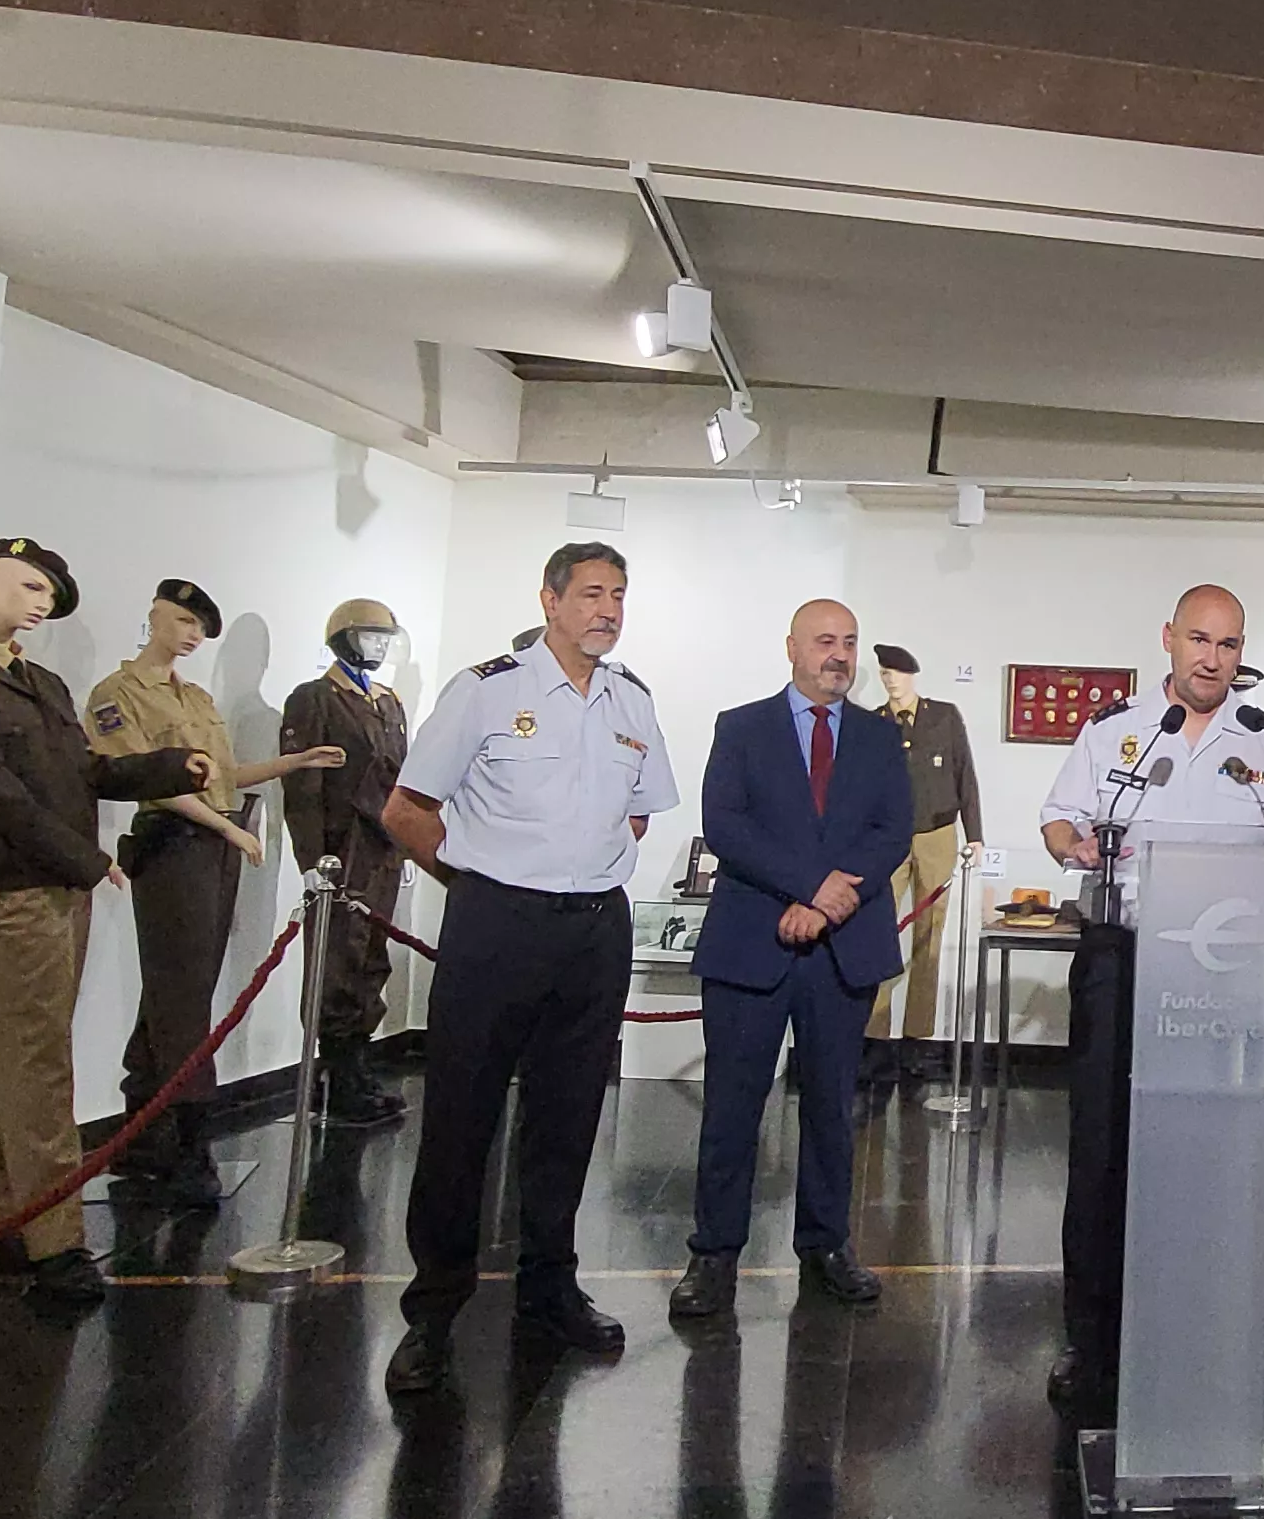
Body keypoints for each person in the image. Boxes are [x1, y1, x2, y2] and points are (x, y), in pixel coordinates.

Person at [378, 542, 678, 1398]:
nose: (607, 611)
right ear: (548, 600)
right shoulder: (485, 691)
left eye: (619, 595)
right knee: (461, 1124)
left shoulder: (632, 702)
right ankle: (432, 1314)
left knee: (568, 1119)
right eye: (590, 594)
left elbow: (637, 817)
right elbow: (406, 809)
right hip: (495, 926)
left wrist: (574, 875)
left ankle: (550, 1288)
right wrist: (477, 880)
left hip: (593, 932)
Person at [0, 539, 209, 1315]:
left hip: (54, 884)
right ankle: (53, 1238)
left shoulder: (38, 681)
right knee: (36, 1061)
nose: (40, 604)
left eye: (50, 596)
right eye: (31, 586)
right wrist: (83, 856)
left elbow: (84, 770)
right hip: (12, 887)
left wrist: (166, 767)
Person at [1032, 584, 1264, 1410]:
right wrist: (1074, 843)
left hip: (1221, 975)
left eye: (1228, 645)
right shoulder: (1114, 731)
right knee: (1103, 1156)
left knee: (1209, 1155)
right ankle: (1089, 1340)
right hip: (1124, 960)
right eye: (1199, 640)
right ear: (1168, 639)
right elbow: (1058, 819)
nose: (1212, 659)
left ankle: (1200, 1325)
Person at [670, 599, 913, 1321]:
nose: (838, 655)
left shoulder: (878, 737)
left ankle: (826, 1244)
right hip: (753, 943)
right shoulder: (740, 728)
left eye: (849, 643)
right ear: (792, 649)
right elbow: (726, 824)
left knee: (834, 1109)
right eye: (824, 642)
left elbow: (891, 831)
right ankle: (713, 1255)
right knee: (732, 1107)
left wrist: (830, 904)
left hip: (842, 948)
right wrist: (811, 887)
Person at [84, 580, 344, 1203]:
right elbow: (142, 779)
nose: (193, 633)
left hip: (212, 847)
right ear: (154, 617)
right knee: (182, 1000)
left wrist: (293, 763)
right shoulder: (116, 696)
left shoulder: (195, 696)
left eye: (201, 625)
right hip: (171, 844)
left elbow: (222, 776)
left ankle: (145, 1135)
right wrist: (229, 827)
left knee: (178, 993)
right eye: (182, 619)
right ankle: (188, 1141)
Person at [281, 597, 414, 1126]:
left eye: (386, 638)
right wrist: (312, 857)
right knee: (335, 958)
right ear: (342, 638)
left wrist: (404, 846)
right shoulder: (315, 698)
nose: (379, 647)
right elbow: (303, 784)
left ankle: (356, 1064)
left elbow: (400, 780)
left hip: (380, 846)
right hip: (341, 845)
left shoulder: (388, 703)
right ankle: (334, 1070)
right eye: (369, 637)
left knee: (370, 958)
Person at [862, 640, 979, 1089]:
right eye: (884, 673)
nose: (890, 680)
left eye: (897, 673)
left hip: (936, 834)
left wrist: (977, 834)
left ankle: (917, 1041)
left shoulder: (943, 717)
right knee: (878, 934)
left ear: (912, 676)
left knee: (929, 939)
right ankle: (875, 1039)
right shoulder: (873, 724)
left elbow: (964, 773)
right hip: (886, 839)